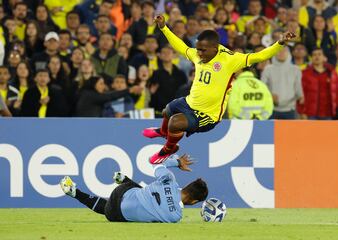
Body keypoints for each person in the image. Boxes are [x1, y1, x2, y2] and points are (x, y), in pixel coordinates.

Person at [143, 14, 296, 164]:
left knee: (175, 123)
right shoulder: (198, 53)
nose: (199, 53)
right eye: (198, 49)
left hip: (208, 115)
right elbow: (181, 47)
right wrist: (164, 28)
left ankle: (169, 149)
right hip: (190, 103)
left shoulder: (231, 60)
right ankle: (163, 133)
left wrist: (279, 43)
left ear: (215, 48)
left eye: (203, 50)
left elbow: (259, 56)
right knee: (167, 110)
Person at [60, 154, 208, 223]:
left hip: (122, 191)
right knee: (112, 209)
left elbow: (154, 161)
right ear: (194, 202)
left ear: (187, 185)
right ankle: (75, 193)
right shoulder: (175, 216)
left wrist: (176, 162)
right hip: (115, 214)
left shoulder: (169, 179)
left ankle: (123, 180)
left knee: (143, 191)